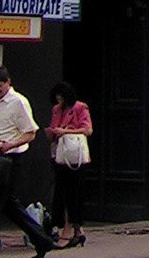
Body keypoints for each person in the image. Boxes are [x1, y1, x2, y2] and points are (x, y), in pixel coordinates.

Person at [0, 66, 54, 258]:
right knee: (9, 206)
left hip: (11, 160)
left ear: (8, 82)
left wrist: (11, 144)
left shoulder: (18, 102)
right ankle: (42, 240)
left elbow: (31, 133)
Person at [46, 82, 92, 249]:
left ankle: (68, 230)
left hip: (75, 156)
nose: (59, 100)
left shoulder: (80, 108)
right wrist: (53, 132)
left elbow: (87, 130)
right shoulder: (57, 109)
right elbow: (54, 128)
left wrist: (66, 131)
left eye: (61, 96)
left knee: (73, 193)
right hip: (60, 154)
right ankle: (78, 231)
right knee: (62, 192)